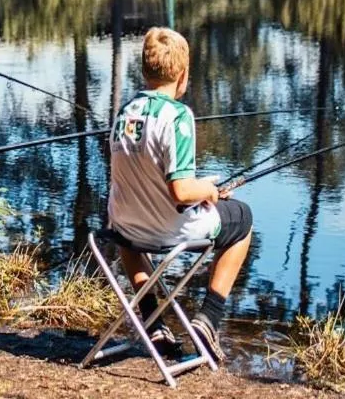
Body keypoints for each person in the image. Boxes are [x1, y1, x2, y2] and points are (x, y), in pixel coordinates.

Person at [107, 27, 253, 362]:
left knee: (128, 233)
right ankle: (207, 321)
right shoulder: (178, 116)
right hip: (168, 230)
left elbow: (142, 178)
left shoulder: (125, 112)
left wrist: (202, 192)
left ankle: (155, 322)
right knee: (242, 220)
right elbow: (181, 190)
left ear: (144, 71)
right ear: (183, 76)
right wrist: (211, 191)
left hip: (124, 226)